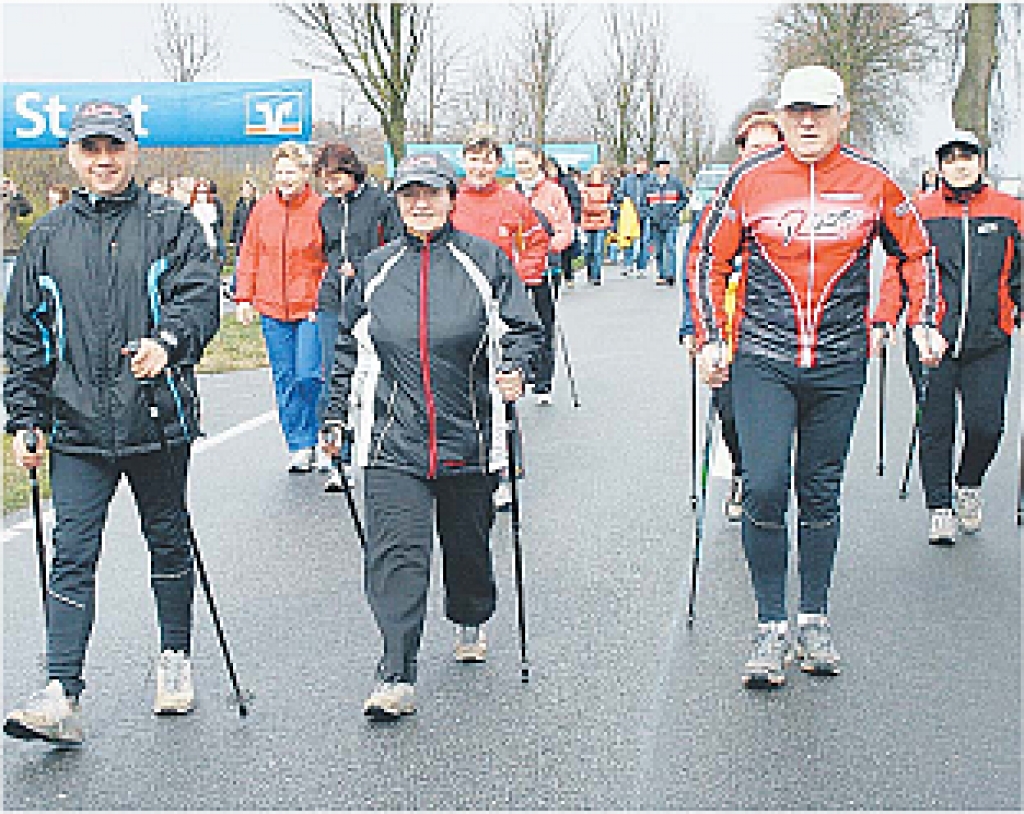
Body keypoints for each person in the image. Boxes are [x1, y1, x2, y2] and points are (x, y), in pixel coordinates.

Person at [689, 65, 946, 689]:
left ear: (842, 114)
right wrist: (709, 338)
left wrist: (922, 320)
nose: (807, 122)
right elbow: (706, 256)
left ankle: (814, 618)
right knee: (767, 485)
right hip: (763, 359)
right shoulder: (750, 178)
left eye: (820, 111)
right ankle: (770, 624)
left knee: (820, 491)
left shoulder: (872, 180)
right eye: (796, 111)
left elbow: (918, 252)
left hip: (838, 362)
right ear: (779, 117)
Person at [2, 100, 220, 744]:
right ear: (72, 156)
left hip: (157, 419)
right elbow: (25, 337)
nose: (104, 161)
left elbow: (200, 299)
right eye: (91, 150)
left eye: (114, 148)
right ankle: (61, 690)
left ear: (132, 152)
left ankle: (175, 658)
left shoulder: (173, 223)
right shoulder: (46, 235)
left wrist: (171, 342)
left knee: (167, 539)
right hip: (75, 428)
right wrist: (25, 419)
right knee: (72, 553)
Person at [321, 152, 543, 720]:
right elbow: (347, 348)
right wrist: (334, 417)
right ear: (397, 201)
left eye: (432, 192)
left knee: (467, 546)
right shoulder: (376, 268)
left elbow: (523, 327)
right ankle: (396, 671)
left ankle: (470, 612)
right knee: (396, 554)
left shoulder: (484, 261)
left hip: (467, 434)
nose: (421, 203)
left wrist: (516, 368)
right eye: (409, 194)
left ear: (451, 197)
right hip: (392, 439)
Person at [878, 130, 1021, 545]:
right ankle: (938, 507)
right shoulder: (919, 212)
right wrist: (887, 317)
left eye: (968, 156)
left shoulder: (1009, 211)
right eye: (951, 157)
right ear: (939, 166)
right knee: (936, 425)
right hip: (929, 338)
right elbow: (897, 268)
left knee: (987, 427)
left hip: (989, 338)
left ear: (981, 163)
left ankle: (968, 484)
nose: (960, 164)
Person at [682, 109, 785, 520]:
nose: (760, 154)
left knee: (772, 416)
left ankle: (767, 480)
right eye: (752, 147)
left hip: (773, 330)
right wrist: (692, 326)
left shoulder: (789, 203)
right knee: (730, 412)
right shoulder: (718, 204)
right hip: (723, 329)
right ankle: (744, 471)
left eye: (769, 147)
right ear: (740, 152)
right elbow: (696, 266)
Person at [313, 141, 401, 489]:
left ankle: (381, 445)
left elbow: (394, 245)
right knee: (333, 376)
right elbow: (327, 250)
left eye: (337, 178)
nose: (332, 186)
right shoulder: (326, 210)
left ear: (352, 172)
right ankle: (339, 456)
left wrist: (363, 269)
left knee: (371, 377)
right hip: (333, 301)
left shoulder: (381, 203)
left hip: (372, 298)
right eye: (326, 180)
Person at [235, 142, 327, 473]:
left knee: (309, 374)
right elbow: (249, 254)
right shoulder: (262, 210)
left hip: (311, 308)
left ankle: (326, 437)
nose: (285, 179)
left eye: (291, 172)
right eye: (279, 173)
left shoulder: (321, 209)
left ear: (305, 174)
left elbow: (329, 259)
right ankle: (300, 444)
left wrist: (324, 301)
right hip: (273, 307)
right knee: (285, 378)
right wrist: (244, 297)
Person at [452, 126, 549, 412]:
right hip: (455, 298)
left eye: (486, 160)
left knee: (499, 373)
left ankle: (501, 432)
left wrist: (521, 278)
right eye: (473, 159)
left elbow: (537, 242)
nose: (480, 167)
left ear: (497, 163)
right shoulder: (450, 200)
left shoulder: (514, 202)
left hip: (499, 302)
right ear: (464, 161)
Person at [514, 141, 573, 403]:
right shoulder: (510, 194)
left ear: (538, 161)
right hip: (514, 271)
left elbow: (566, 229)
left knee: (543, 323)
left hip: (546, 267)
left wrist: (548, 250)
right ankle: (518, 373)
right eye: (518, 163)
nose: (522, 168)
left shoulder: (554, 192)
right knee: (514, 324)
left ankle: (543, 381)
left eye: (526, 162)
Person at [645, 156, 688, 286]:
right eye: (663, 167)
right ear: (657, 169)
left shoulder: (675, 182)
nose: (665, 169)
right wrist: (650, 214)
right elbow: (643, 203)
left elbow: (684, 199)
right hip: (655, 222)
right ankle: (661, 274)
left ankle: (671, 275)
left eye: (667, 166)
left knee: (670, 247)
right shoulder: (650, 184)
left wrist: (674, 211)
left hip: (671, 221)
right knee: (658, 250)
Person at [545, 155, 582, 290]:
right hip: (547, 222)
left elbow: (575, 200)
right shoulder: (542, 184)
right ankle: (553, 275)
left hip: (563, 220)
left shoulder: (566, 182)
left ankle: (568, 275)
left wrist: (575, 218)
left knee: (565, 251)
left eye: (552, 167)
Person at [613, 157, 651, 276]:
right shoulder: (627, 180)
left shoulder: (651, 179)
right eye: (639, 165)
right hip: (630, 215)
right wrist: (622, 200)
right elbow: (619, 193)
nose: (641, 167)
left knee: (644, 241)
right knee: (628, 239)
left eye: (643, 165)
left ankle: (642, 267)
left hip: (645, 214)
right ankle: (628, 264)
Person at [579, 164, 614, 285]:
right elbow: (586, 207)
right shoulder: (584, 189)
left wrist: (601, 208)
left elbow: (609, 205)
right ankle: (590, 273)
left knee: (598, 250)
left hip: (602, 223)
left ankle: (597, 276)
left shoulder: (607, 189)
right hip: (588, 222)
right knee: (588, 251)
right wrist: (601, 207)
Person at [3, 175, 34, 293]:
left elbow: (26, 211)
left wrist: (15, 193)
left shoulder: (12, 200)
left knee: (10, 291)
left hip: (11, 250)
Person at [189, 178, 224, 264]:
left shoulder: (213, 207)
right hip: (195, 245)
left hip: (210, 243)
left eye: (204, 192)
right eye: (199, 192)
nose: (202, 195)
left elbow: (217, 228)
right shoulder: (191, 208)